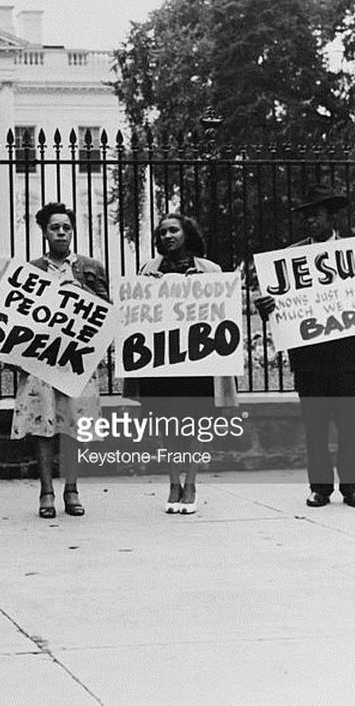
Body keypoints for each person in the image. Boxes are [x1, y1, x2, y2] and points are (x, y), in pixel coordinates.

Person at [255, 184, 355, 508]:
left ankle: (352, 488)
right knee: (315, 424)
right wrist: (267, 306)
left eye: (315, 215)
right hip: (309, 356)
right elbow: (279, 306)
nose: (309, 222)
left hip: (347, 354)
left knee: (349, 424)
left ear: (331, 216)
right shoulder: (290, 258)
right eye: (305, 217)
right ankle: (320, 487)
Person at [124, 214, 237, 514]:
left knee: (195, 424)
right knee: (166, 423)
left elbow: (222, 311)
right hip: (161, 362)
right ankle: (173, 483)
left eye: (173, 230)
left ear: (186, 233)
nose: (168, 236)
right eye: (162, 233)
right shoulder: (148, 270)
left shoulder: (209, 270)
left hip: (197, 361)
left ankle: (191, 484)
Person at [12, 202, 109, 518]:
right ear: (44, 232)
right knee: (43, 426)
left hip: (76, 361)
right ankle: (46, 492)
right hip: (42, 360)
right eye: (55, 228)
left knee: (73, 426)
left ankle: (71, 489)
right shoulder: (32, 270)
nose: (62, 233)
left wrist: (83, 292)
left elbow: (107, 313)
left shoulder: (90, 268)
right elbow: (18, 315)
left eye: (67, 227)